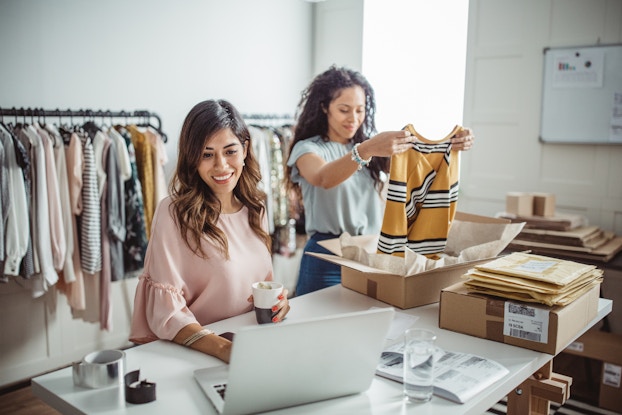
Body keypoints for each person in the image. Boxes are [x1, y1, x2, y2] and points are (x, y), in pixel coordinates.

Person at [286, 66, 475, 296]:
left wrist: (452, 143)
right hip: (326, 257)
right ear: (325, 107)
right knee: (316, 325)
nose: (353, 119)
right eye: (344, 110)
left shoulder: (372, 149)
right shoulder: (308, 148)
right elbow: (323, 177)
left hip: (370, 254)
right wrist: (365, 150)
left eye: (360, 110)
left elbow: (418, 164)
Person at [130, 99, 290, 363]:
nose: (221, 166)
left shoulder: (256, 207)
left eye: (230, 151)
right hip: (196, 353)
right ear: (192, 158)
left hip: (252, 344)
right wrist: (224, 350)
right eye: (207, 154)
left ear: (245, 149)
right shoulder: (173, 214)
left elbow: (260, 286)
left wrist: (279, 303)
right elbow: (166, 313)